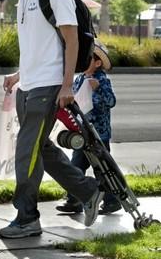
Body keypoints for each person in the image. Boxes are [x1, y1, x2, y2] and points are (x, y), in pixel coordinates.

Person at [0, 0, 104, 239]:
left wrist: (67, 86)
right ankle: (88, 191)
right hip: (28, 86)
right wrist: (18, 74)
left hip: (49, 87)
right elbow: (35, 46)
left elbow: (72, 42)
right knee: (40, 149)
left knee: (26, 153)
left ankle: (27, 218)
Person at [56, 40, 121, 215]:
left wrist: (98, 90)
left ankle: (112, 200)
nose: (83, 63)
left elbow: (111, 102)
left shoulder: (101, 80)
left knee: (103, 169)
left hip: (99, 134)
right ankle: (74, 200)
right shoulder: (79, 79)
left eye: (88, 59)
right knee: (75, 166)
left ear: (98, 63)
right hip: (82, 133)